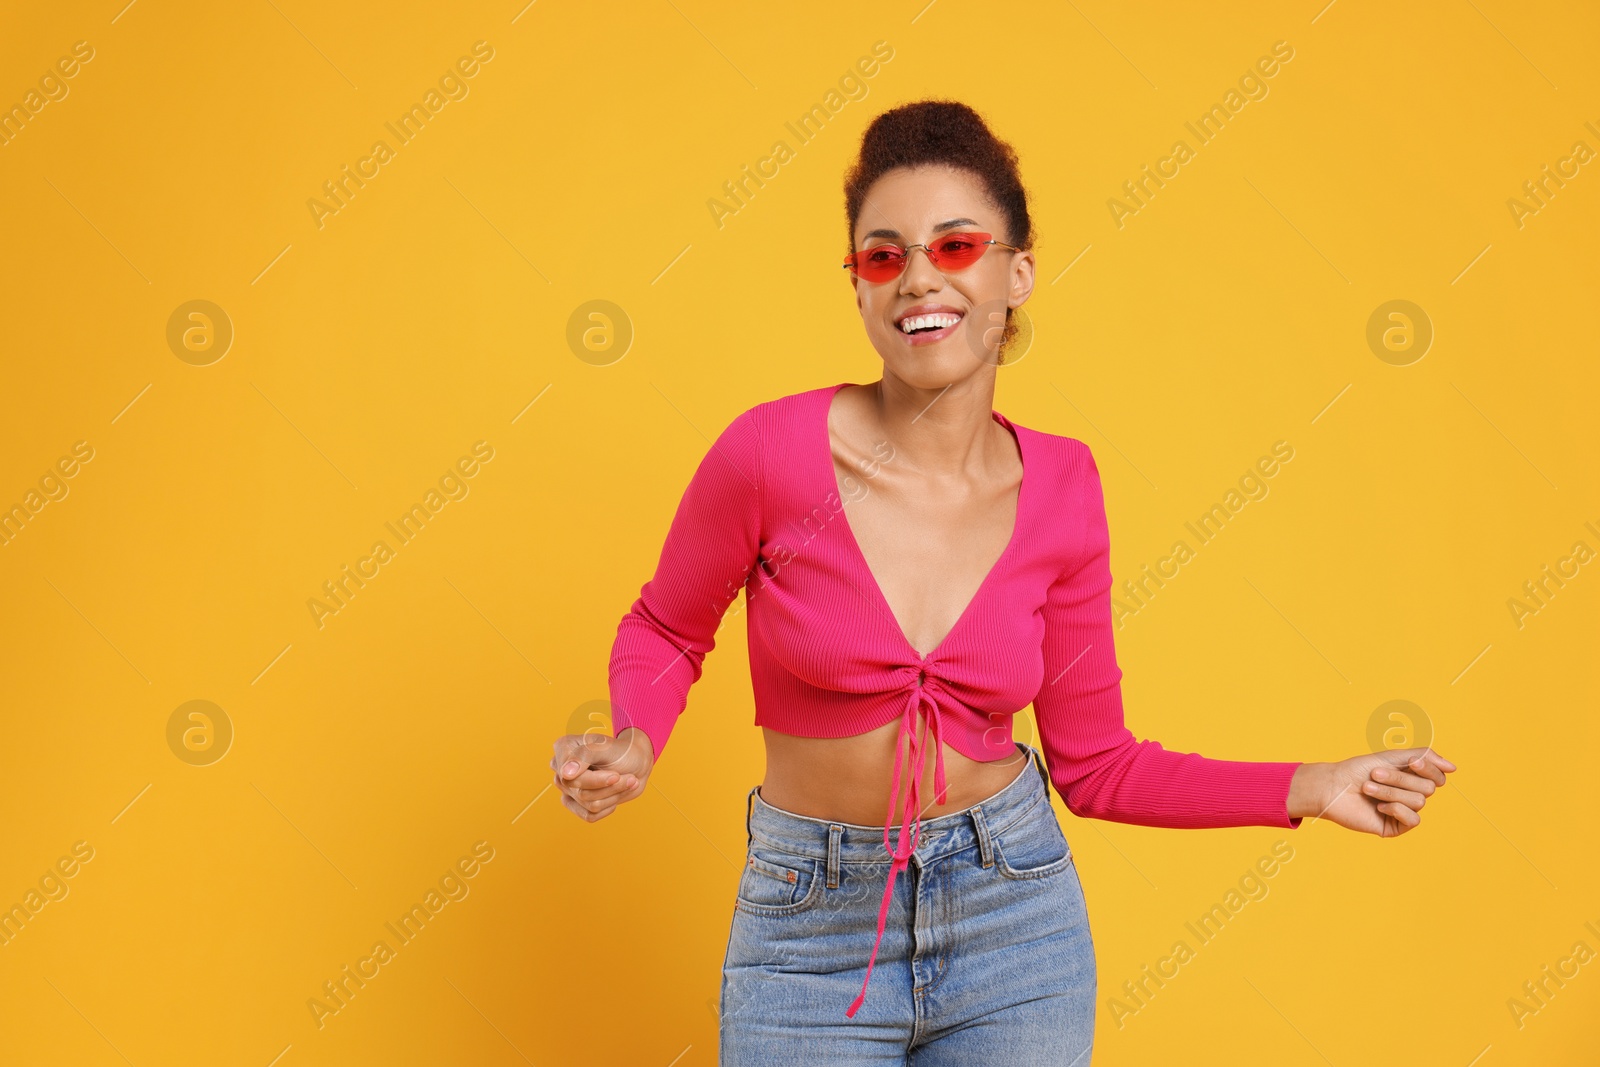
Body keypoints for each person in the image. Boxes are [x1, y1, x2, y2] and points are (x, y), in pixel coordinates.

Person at [549, 99, 1457, 1064]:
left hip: (1012, 916)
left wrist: (1311, 784)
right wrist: (636, 737)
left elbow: (1098, 766)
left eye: (956, 245)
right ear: (857, 286)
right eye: (883, 255)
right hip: (808, 925)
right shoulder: (767, 454)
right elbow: (665, 629)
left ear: (1016, 271)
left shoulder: (1064, 485)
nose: (918, 280)